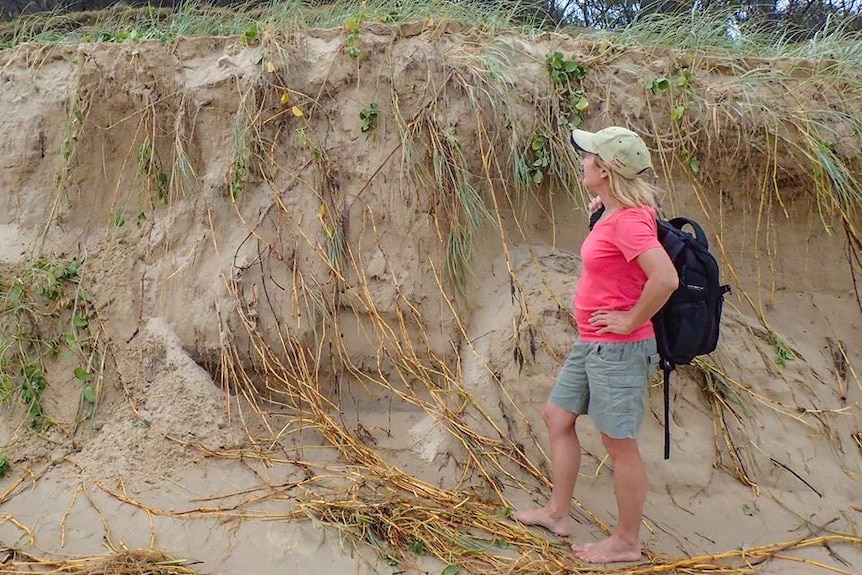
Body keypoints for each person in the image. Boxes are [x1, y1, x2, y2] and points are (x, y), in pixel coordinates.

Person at [512, 126, 679, 563]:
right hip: (593, 343)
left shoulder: (627, 221)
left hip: (619, 349)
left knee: (618, 444)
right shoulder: (616, 210)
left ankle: (626, 542)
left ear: (604, 169)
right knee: (557, 416)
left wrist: (629, 320)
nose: (582, 161)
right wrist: (602, 210)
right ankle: (557, 513)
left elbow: (665, 279)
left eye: (589, 157)